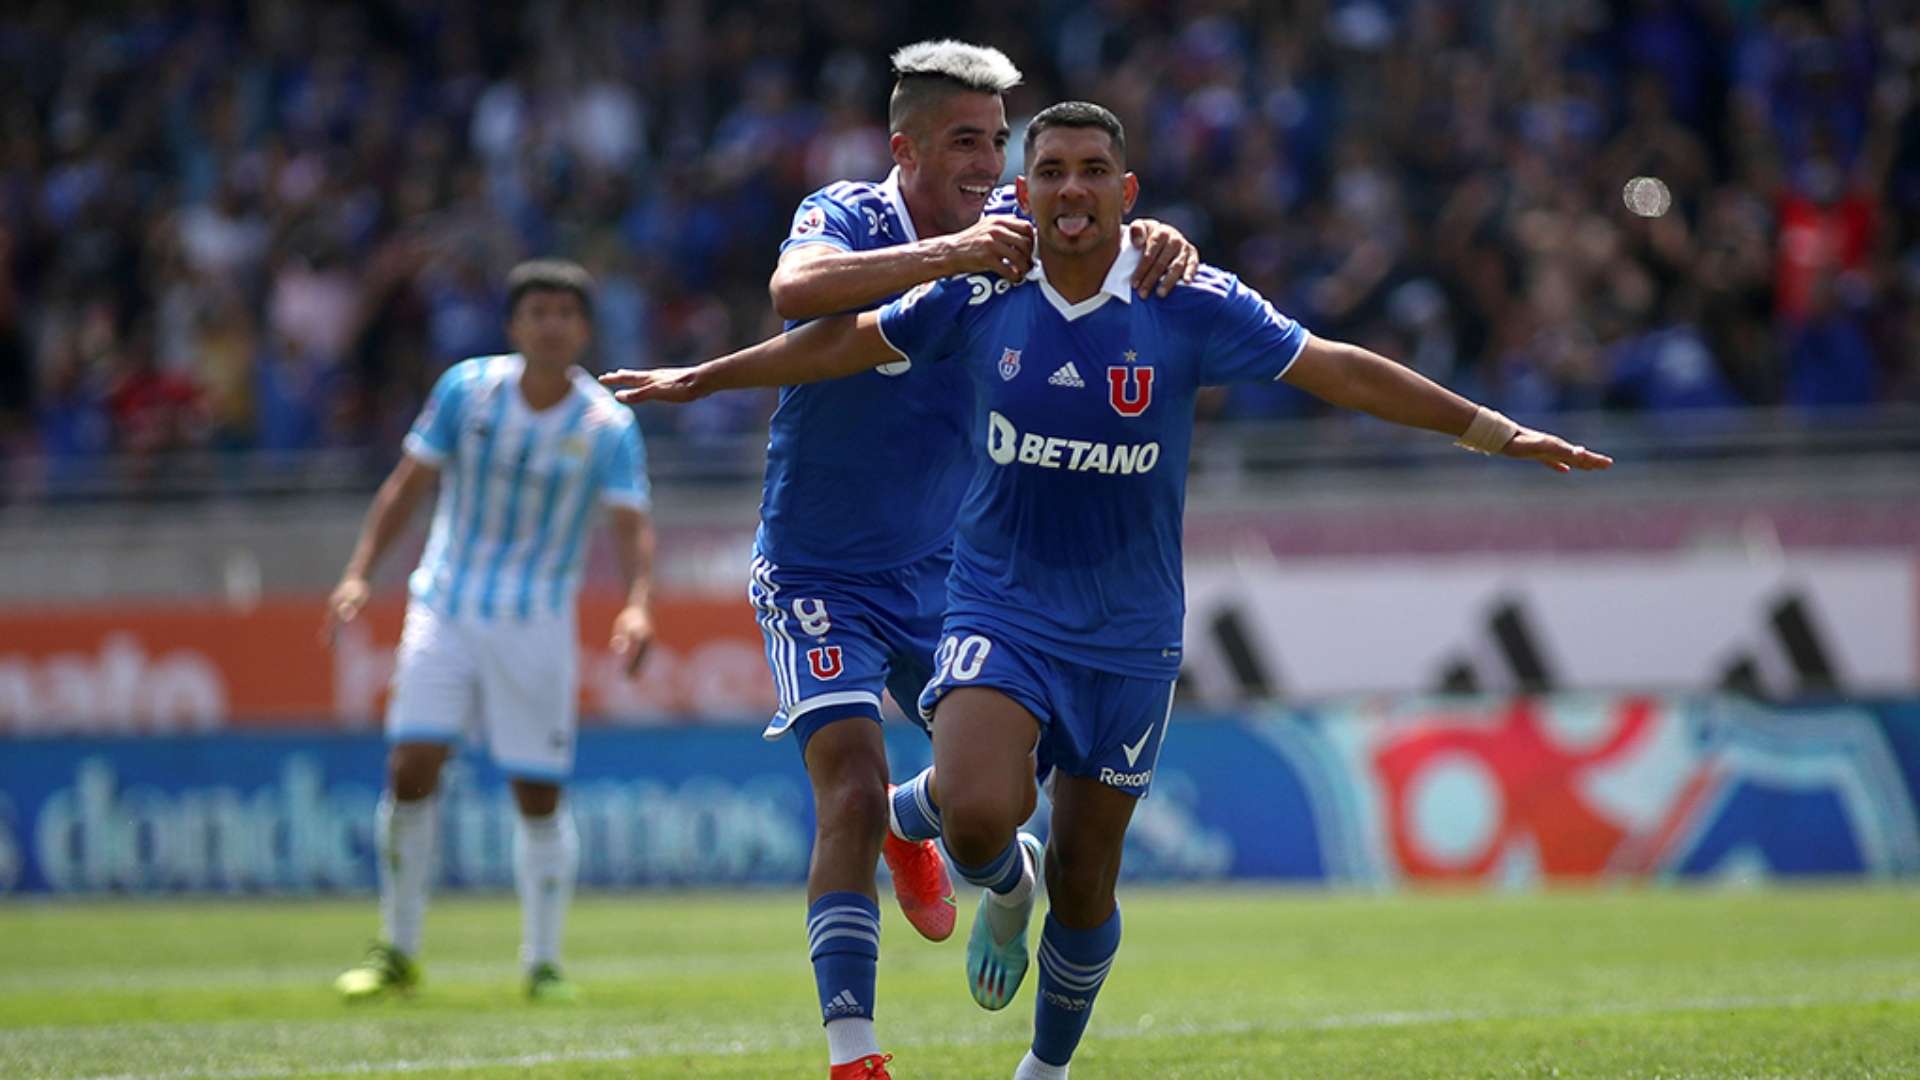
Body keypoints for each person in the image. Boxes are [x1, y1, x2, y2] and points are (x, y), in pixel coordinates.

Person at [602, 101, 1610, 1078]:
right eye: (1049, 171)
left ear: (1126, 191)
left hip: (1127, 634)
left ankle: (1043, 1064)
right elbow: (842, 341)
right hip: (997, 605)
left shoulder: (1187, 299)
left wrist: (1494, 429)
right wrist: (704, 379)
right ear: (1021, 192)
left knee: (1086, 877)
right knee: (987, 818)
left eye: (1091, 172)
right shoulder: (983, 286)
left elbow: (1335, 369)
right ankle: (959, 852)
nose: (1070, 189)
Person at [730, 42, 1197, 1080]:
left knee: (995, 801)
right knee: (844, 786)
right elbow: (795, 290)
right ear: (905, 148)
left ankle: (991, 871)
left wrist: (1157, 237)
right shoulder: (851, 216)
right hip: (819, 569)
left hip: (957, 570)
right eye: (964, 143)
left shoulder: (1032, 237)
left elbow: (1120, 247)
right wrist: (950, 257)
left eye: (1000, 144)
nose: (989, 166)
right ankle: (855, 1054)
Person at [327, 259, 656, 1004]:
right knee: (411, 764)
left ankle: (541, 961)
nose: (551, 324)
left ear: (585, 329)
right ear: (513, 326)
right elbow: (406, 486)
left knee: (536, 793)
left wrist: (638, 602)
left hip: (536, 620)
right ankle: (397, 949)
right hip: (445, 606)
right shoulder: (466, 390)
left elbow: (632, 526)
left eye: (565, 313)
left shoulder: (607, 423)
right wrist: (358, 572)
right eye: (536, 311)